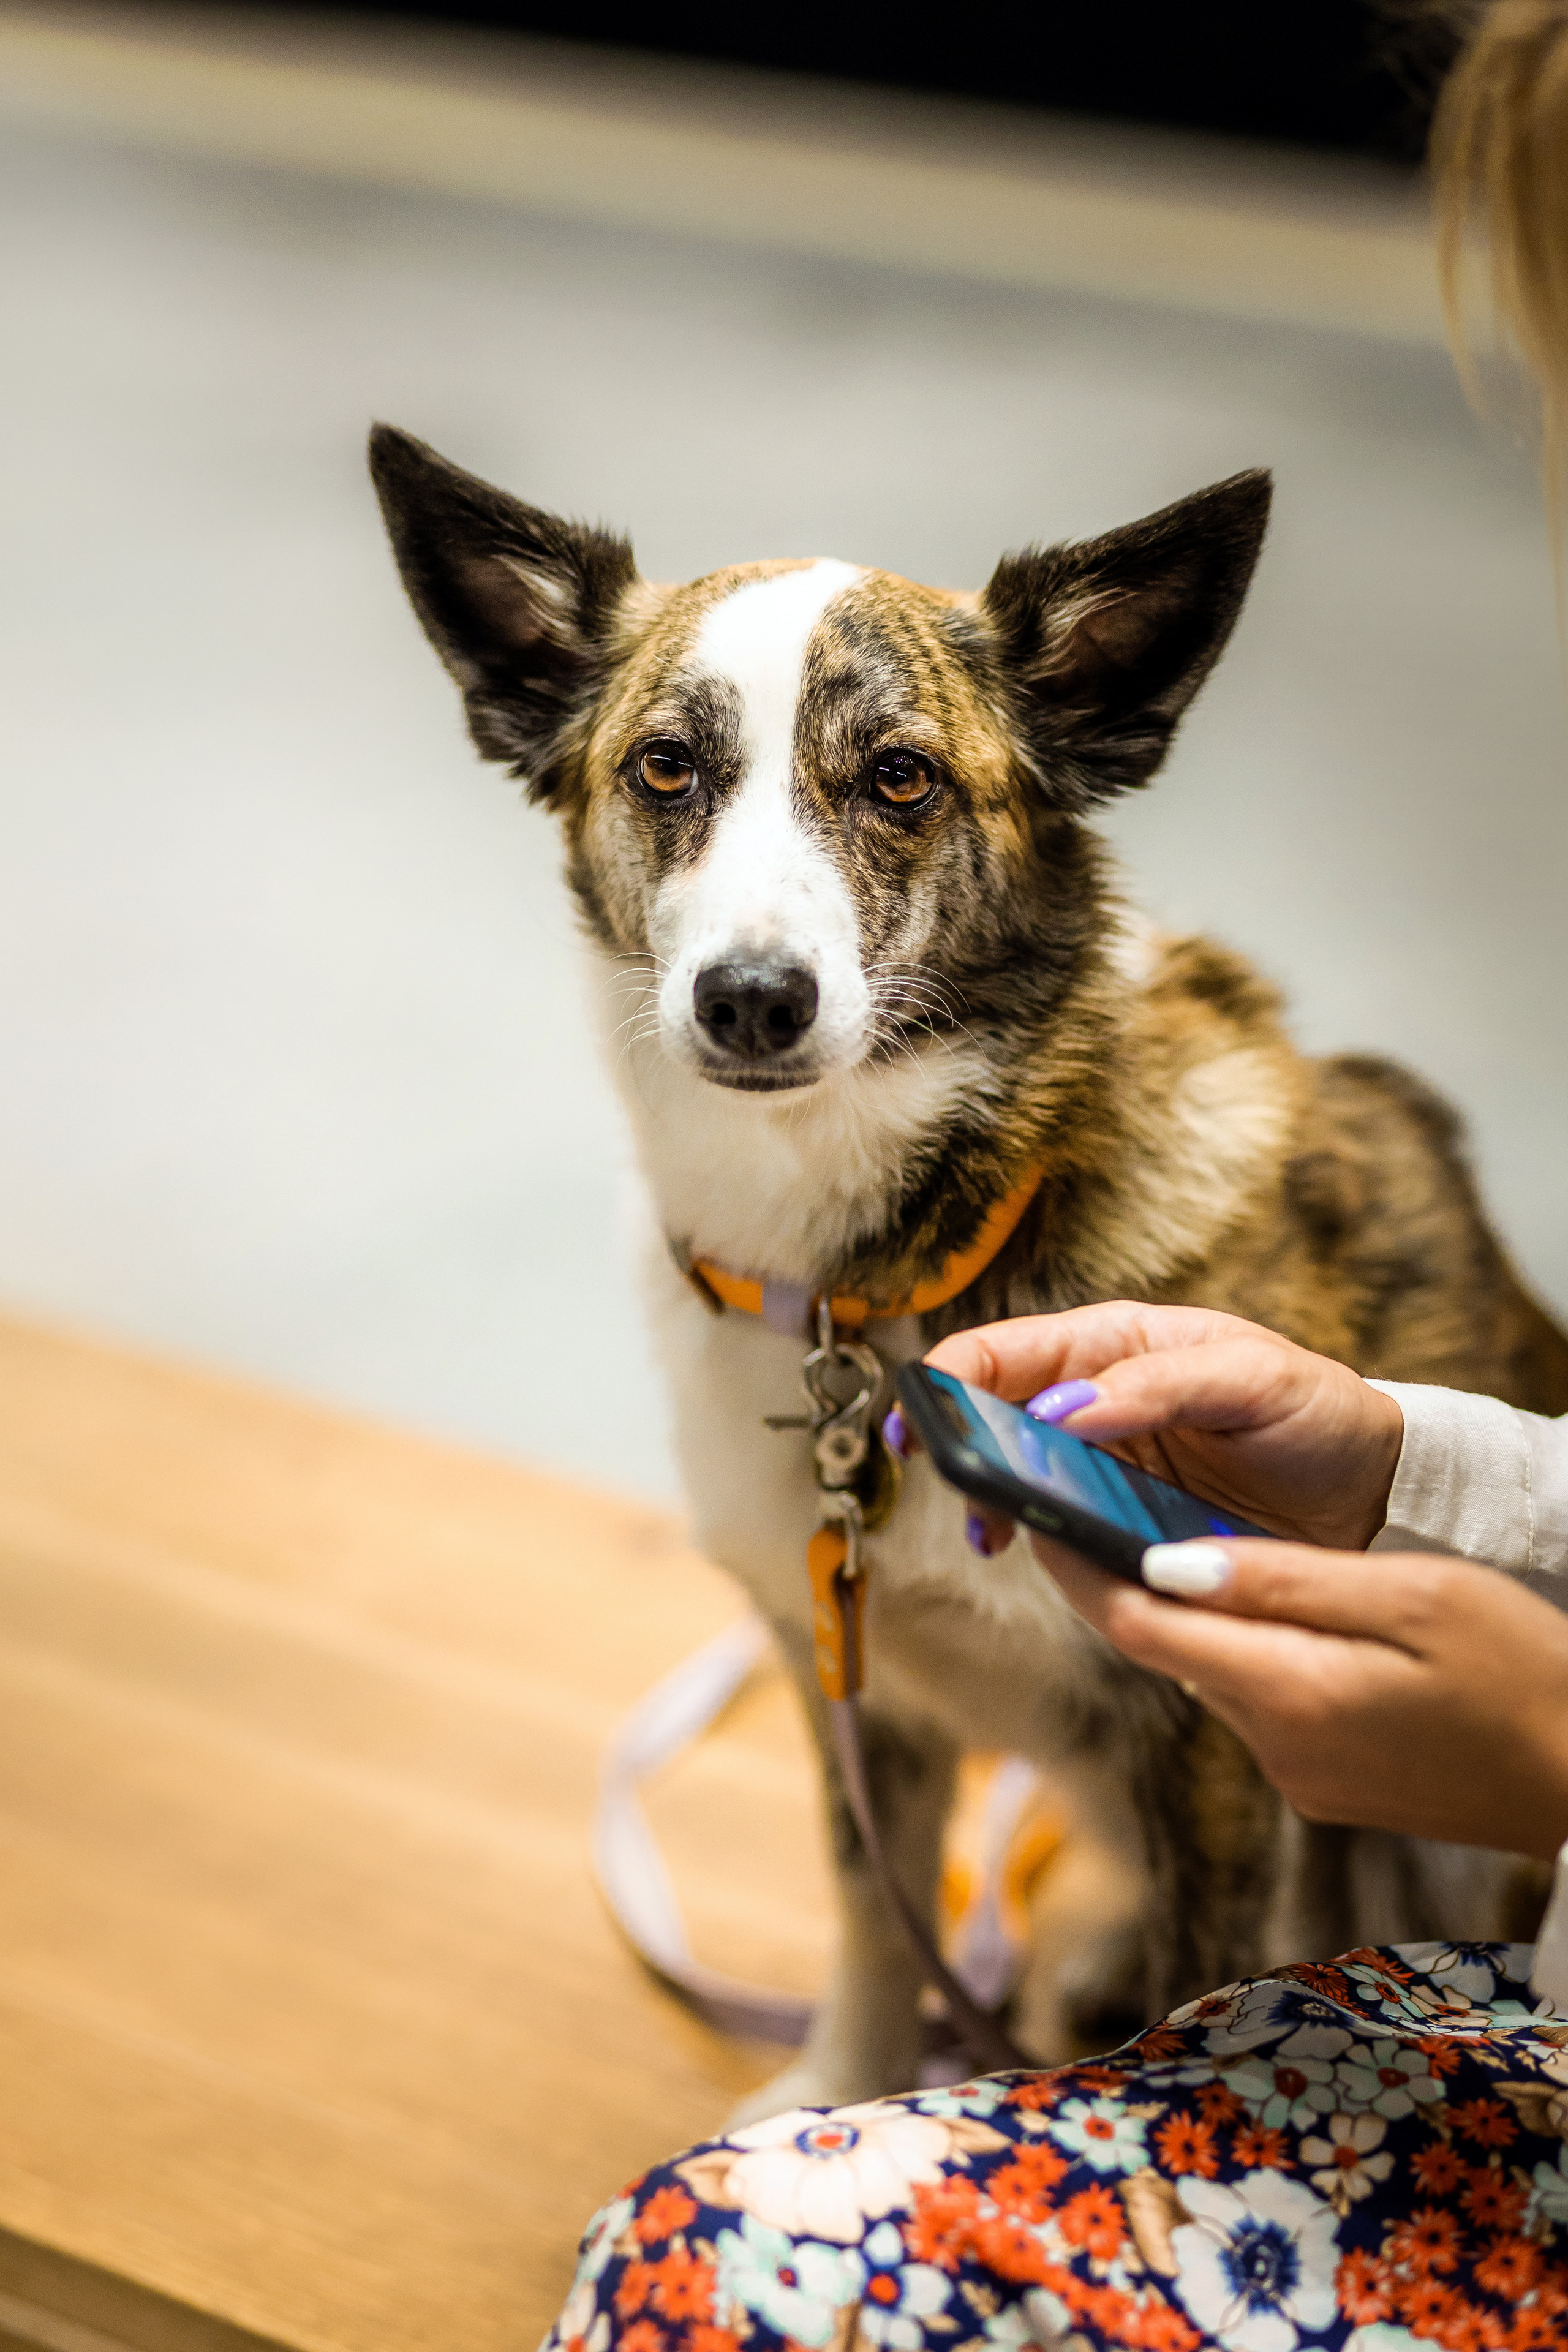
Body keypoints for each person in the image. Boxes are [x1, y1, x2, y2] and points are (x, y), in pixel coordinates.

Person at [541, 7, 1568, 2348]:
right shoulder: (720, 1271)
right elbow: (864, 1686)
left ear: (1039, 783)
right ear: (577, 781)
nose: (756, 921)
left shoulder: (1201, 1205)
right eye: (680, 786)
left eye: (888, 788)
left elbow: (1238, 1776)